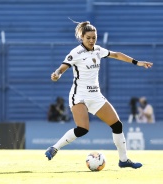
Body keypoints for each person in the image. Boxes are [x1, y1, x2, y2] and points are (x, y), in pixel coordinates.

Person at [45, 20, 153, 169]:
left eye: (94, 38)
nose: (91, 40)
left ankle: (123, 160)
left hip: (95, 96)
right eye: (88, 37)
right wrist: (56, 74)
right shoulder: (76, 52)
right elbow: (62, 68)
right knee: (83, 129)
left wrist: (137, 62)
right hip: (79, 95)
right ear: (82, 37)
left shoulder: (98, 50)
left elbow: (116, 55)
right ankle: (54, 148)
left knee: (117, 125)